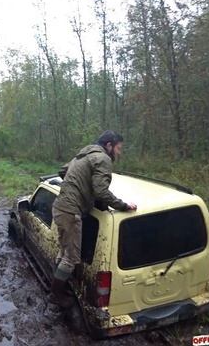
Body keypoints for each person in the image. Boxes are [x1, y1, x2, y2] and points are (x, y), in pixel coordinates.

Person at [49, 131, 137, 313]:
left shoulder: (83, 155)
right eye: (118, 148)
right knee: (72, 258)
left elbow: (62, 171)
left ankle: (59, 285)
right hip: (71, 211)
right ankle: (56, 294)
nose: (119, 153)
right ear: (109, 145)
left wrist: (78, 187)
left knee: (64, 251)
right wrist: (123, 206)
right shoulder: (103, 159)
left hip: (60, 207)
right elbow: (101, 191)